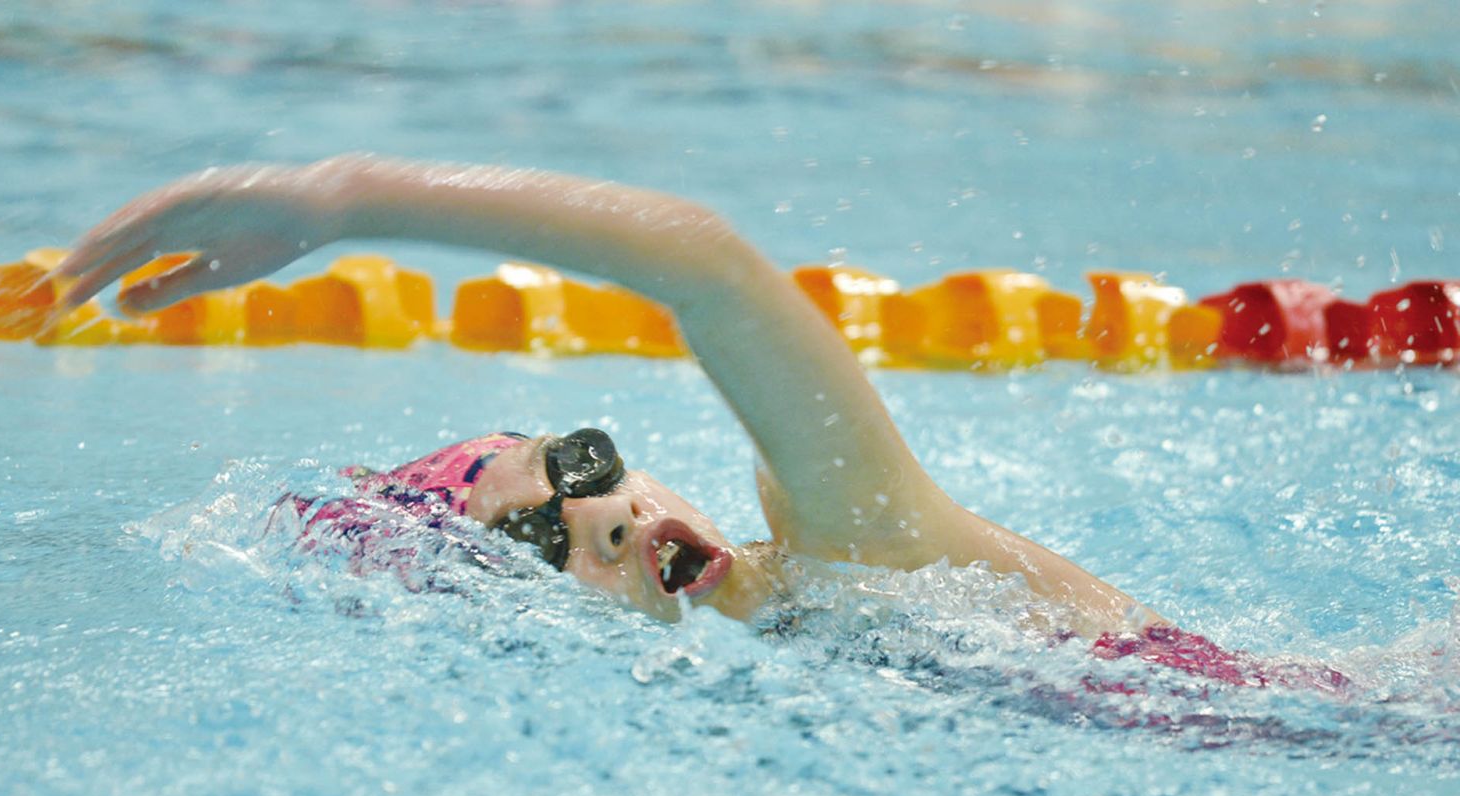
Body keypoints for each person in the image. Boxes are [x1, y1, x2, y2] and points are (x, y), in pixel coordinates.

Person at [59, 154, 1169, 643]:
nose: (606, 512)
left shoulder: (849, 540)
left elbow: (706, 265)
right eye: (543, 537)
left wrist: (347, 198)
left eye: (582, 465)